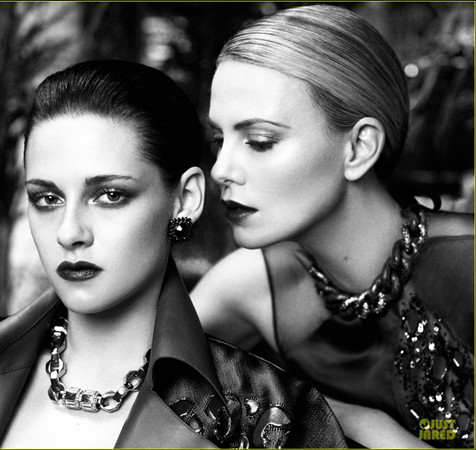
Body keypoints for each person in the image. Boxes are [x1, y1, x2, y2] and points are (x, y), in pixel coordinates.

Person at [0, 60, 347, 449]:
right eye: (47, 199)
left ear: (185, 199)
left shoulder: (271, 416)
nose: (69, 233)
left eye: (110, 195)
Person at [191, 4, 474, 449]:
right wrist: (347, 418)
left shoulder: (466, 268)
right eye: (218, 140)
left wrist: (379, 434)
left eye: (260, 141)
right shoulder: (252, 285)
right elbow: (131, 379)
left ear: (359, 148)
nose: (220, 170)